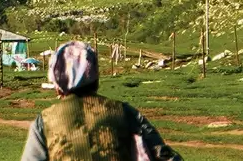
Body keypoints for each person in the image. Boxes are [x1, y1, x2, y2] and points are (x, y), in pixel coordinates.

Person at [20, 41, 181, 161]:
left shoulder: (45, 122)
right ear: (96, 79)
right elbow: (164, 155)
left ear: (57, 85)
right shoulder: (124, 113)